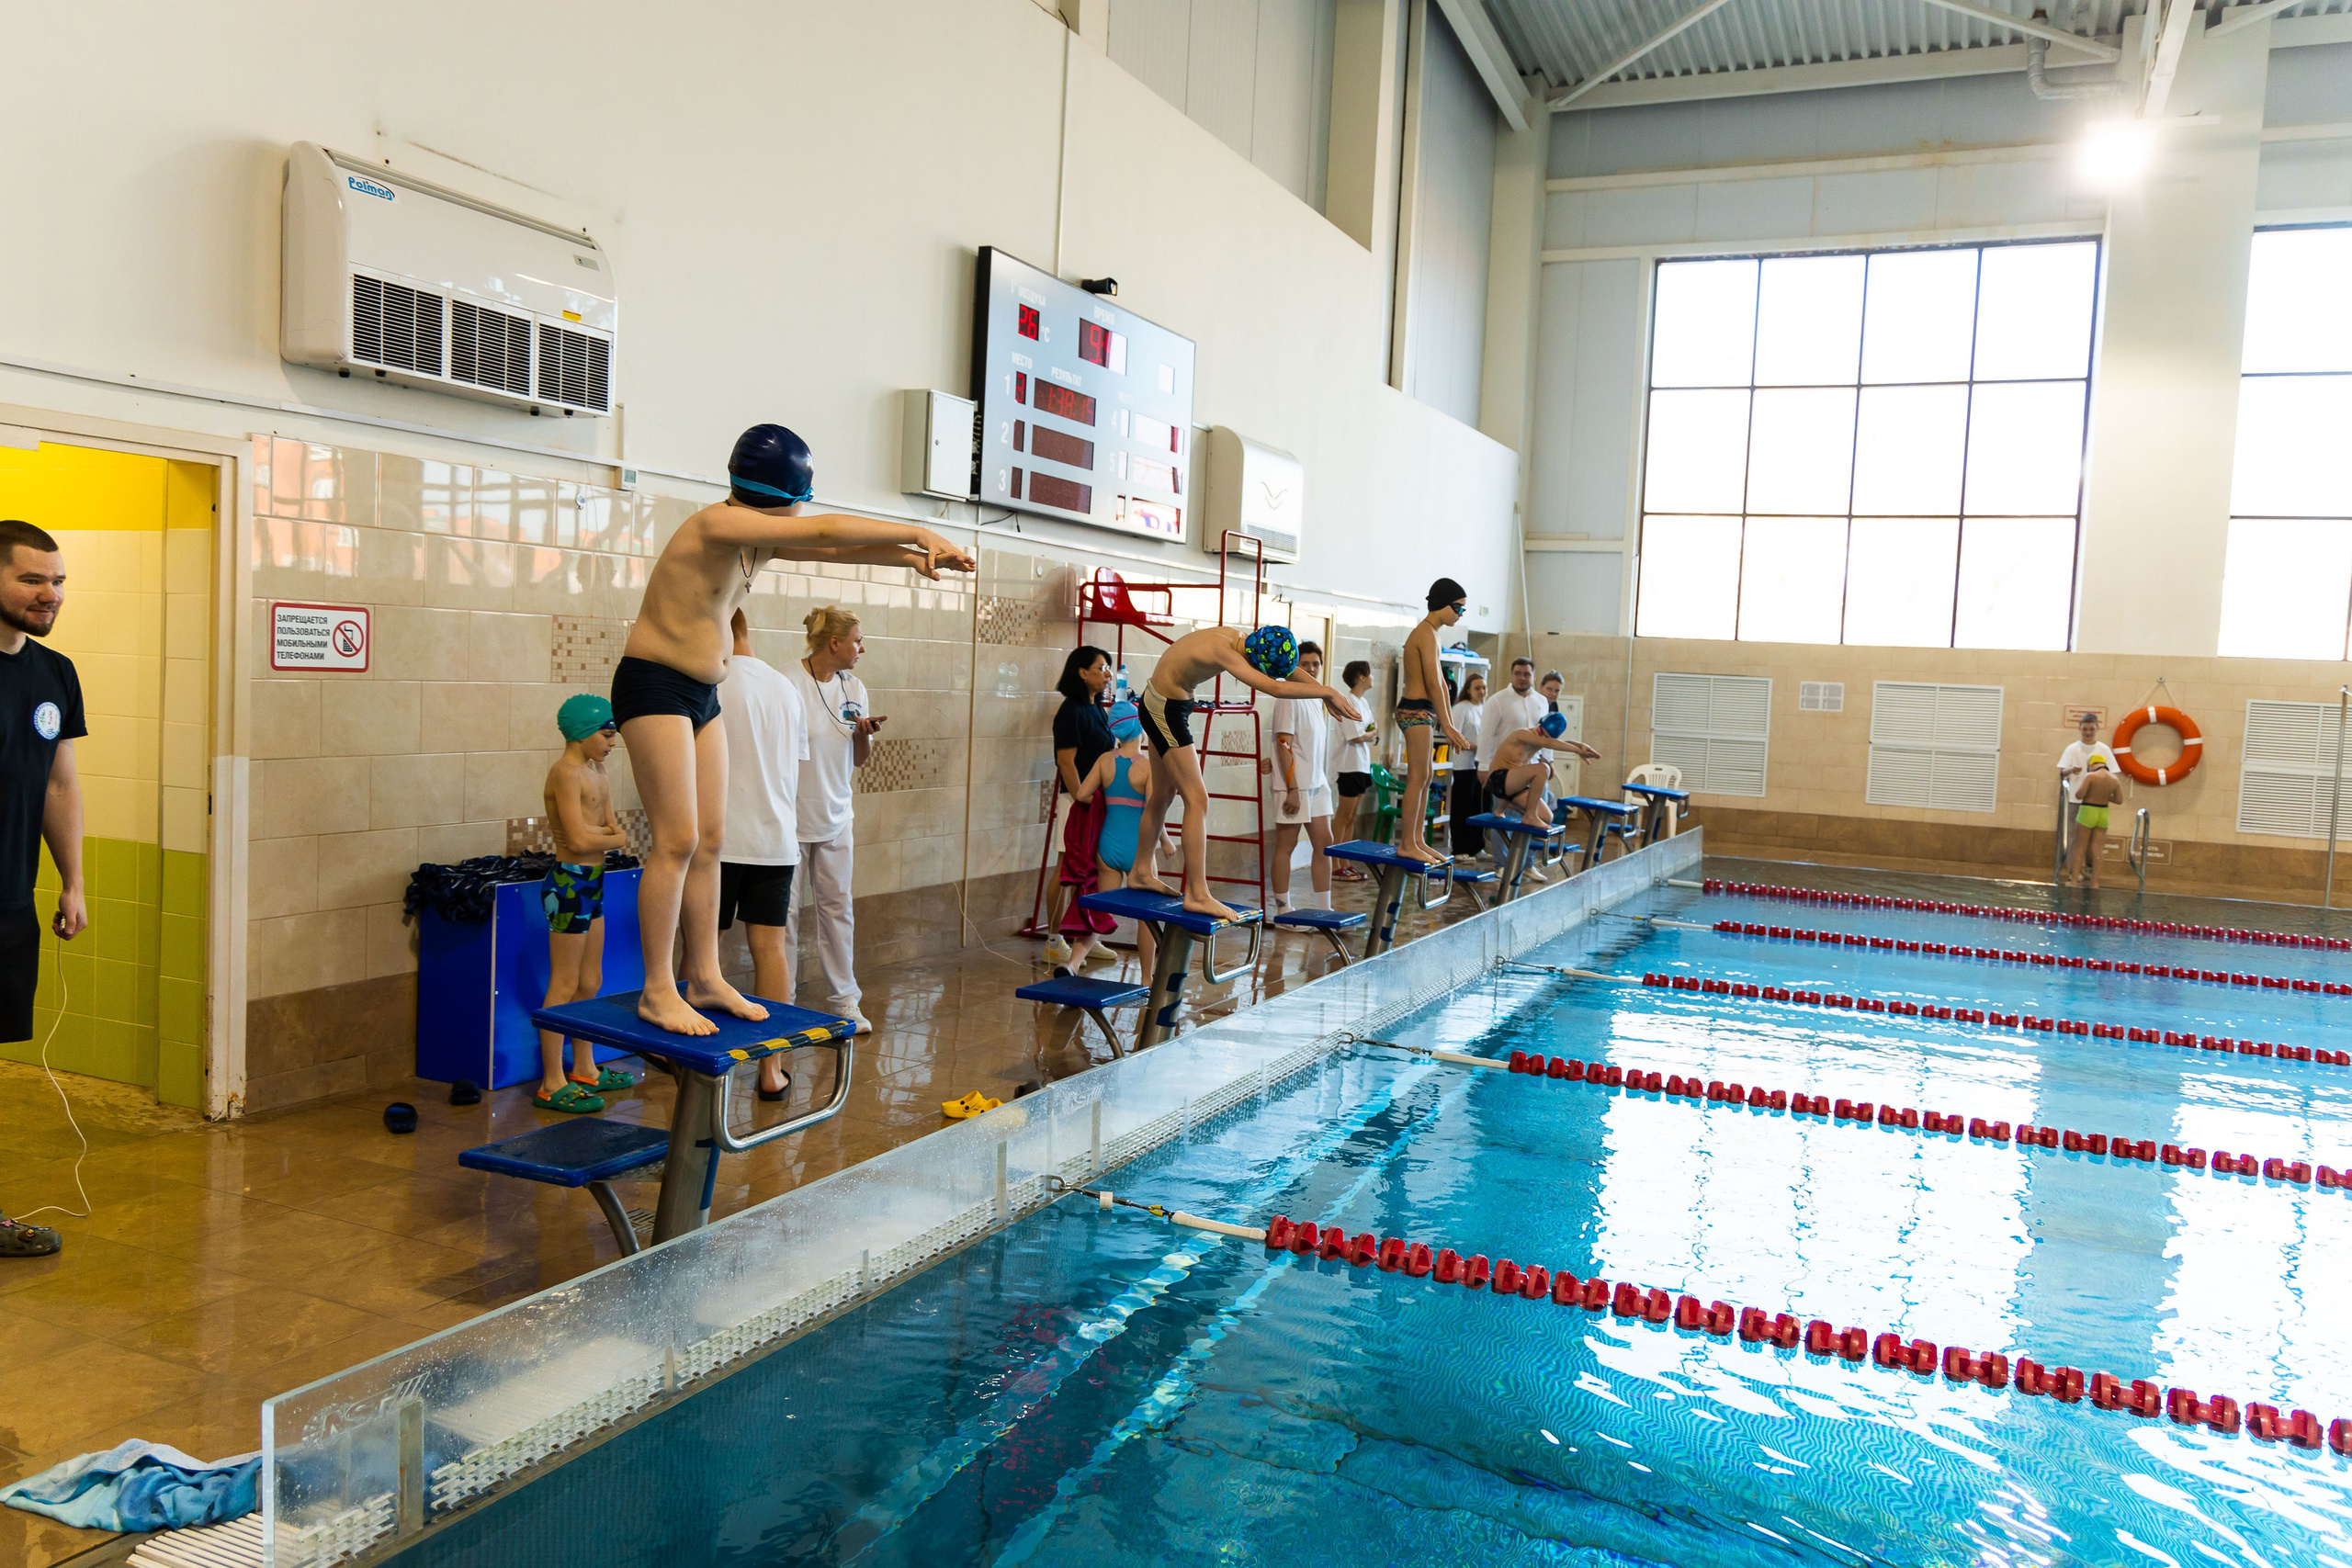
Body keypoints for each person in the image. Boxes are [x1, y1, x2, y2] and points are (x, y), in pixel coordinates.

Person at [615, 424, 973, 1035]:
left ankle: (702, 975)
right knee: (675, 839)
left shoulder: (752, 536)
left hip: (701, 692)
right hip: (655, 684)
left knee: (710, 838)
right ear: (786, 494)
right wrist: (917, 530)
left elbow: (830, 549)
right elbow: (825, 531)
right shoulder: (715, 525)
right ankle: (657, 988)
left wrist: (914, 560)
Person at [1132, 624, 1362, 919]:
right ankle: (1197, 893)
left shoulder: (1244, 639)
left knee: (1164, 793)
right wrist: (1326, 692)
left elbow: (1287, 671)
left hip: (1164, 702)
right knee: (1197, 799)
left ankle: (1140, 871)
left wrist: (1324, 694)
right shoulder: (1222, 650)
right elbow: (1275, 687)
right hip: (1165, 708)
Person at [0, 520, 84, 1259]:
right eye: (31, 579)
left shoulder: (54, 674)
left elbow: (59, 783)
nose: (47, 594)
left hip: (9, 903)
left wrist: (73, 882)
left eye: (56, 581)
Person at [715, 609, 813, 1101]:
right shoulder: (785, 689)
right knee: (771, 951)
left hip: (718, 839)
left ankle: (703, 1068)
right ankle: (771, 1071)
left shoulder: (713, 683)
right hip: (776, 840)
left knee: (703, 950)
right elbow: (790, 768)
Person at [535, 695, 636, 1113]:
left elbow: (616, 831)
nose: (613, 742)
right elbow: (579, 840)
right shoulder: (565, 773)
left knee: (590, 981)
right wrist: (611, 837)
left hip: (593, 882)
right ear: (581, 733)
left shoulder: (599, 772)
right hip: (568, 883)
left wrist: (611, 837)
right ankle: (551, 1081)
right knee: (563, 983)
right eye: (607, 733)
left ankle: (585, 1068)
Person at [785, 604, 878, 1033]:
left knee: (838, 909)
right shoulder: (787, 683)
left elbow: (859, 759)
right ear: (834, 643)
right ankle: (780, 999)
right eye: (857, 640)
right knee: (784, 914)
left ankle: (845, 1000)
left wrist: (863, 735)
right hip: (789, 816)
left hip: (837, 812)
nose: (863, 647)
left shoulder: (854, 685)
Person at [1067, 702, 1155, 978]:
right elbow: (1154, 812)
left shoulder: (1105, 760)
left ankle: (1072, 963)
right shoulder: (1147, 767)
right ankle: (1146, 977)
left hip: (1107, 845)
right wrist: (1165, 842)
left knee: (1099, 910)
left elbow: (1081, 794)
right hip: (1138, 848)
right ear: (1139, 728)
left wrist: (1104, 804)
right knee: (1147, 918)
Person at [1042, 646, 1114, 968]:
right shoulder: (1070, 710)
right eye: (1101, 668)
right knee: (1065, 868)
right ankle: (1054, 939)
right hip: (1076, 800)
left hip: (1095, 800)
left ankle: (1085, 936)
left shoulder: (1097, 708)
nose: (1107, 674)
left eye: (1108, 668)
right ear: (1082, 672)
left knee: (1092, 871)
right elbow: (1066, 761)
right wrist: (1080, 798)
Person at [1393, 581, 1472, 864]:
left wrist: (1448, 721)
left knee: (1425, 775)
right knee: (1418, 776)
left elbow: (1439, 682)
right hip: (1414, 710)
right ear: (1444, 603)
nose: (1461, 614)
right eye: (1459, 608)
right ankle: (1406, 843)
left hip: (1422, 711)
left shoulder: (1432, 634)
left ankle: (1416, 839)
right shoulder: (1425, 633)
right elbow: (1434, 682)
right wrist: (1448, 726)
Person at [1270, 641, 1336, 912]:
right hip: (1294, 785)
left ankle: (1324, 908)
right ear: (1293, 666)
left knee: (1325, 844)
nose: (1311, 669)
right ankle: (1283, 910)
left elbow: (1304, 744)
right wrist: (1292, 788)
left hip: (1317, 783)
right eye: (1304, 664)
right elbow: (1283, 743)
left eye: (1316, 664)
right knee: (1286, 845)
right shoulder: (1287, 695)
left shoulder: (1316, 697)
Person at [1481, 659, 1555, 881]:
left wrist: (1549, 760)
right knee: (1503, 817)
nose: (1522, 677)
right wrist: (1483, 766)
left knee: (1534, 817)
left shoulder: (1542, 701)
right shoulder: (1498, 701)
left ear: (1533, 676)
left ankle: (1528, 863)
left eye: (1526, 674)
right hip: (1505, 770)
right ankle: (1502, 863)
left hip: (1534, 768)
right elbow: (1485, 734)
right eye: (1518, 673)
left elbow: (1547, 735)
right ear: (1512, 675)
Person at [1487, 713, 1602, 829]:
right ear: (1539, 724)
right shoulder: (1522, 733)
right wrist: (1577, 751)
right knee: (1543, 768)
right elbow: (1548, 743)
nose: (1540, 735)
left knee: (1546, 817)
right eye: (1541, 731)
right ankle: (1530, 816)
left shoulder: (1541, 740)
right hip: (1497, 779)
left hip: (1513, 786)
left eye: (1545, 736)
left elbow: (1558, 742)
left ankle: (1506, 804)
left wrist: (1580, 745)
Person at [1329, 660, 1376, 873]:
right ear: (1361, 677)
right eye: (1370, 674)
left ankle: (1346, 861)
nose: (1372, 677)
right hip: (1348, 766)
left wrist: (1369, 734)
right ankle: (1334, 862)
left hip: (1362, 765)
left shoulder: (1363, 703)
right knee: (1343, 815)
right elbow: (1356, 736)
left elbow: (1372, 730)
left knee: (1352, 816)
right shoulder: (1347, 701)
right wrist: (1369, 735)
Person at [1448, 671, 1487, 863]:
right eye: (1477, 688)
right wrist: (1476, 747)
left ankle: (1476, 846)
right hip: (1464, 764)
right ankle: (1460, 847)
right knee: (1462, 806)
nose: (1482, 691)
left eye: (1484, 687)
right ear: (1469, 690)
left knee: (1478, 807)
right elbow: (1453, 737)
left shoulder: (1484, 709)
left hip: (1481, 764)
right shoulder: (1462, 708)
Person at [2068, 760, 2126, 888]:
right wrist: (2105, 795)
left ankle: (2074, 882)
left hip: (2088, 810)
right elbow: (2119, 800)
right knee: (2098, 849)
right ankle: (2095, 883)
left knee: (2080, 848)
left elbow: (2079, 795)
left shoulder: (2090, 776)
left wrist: (2091, 792)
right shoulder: (2114, 778)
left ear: (2092, 765)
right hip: (2103, 812)